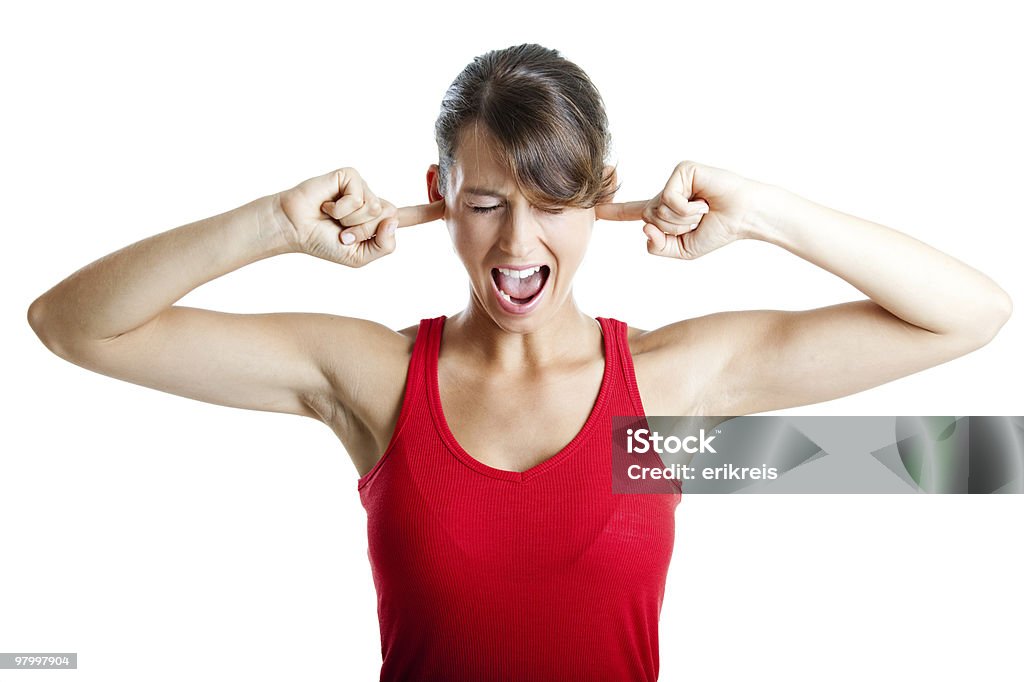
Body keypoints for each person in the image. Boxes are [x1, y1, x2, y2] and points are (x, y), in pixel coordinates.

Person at [26, 42, 1012, 682]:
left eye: (551, 202)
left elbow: (969, 316)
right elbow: (73, 325)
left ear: (603, 197)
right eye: (486, 200)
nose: (517, 242)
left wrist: (760, 212)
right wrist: (273, 224)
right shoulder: (371, 379)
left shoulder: (665, 388)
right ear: (437, 196)